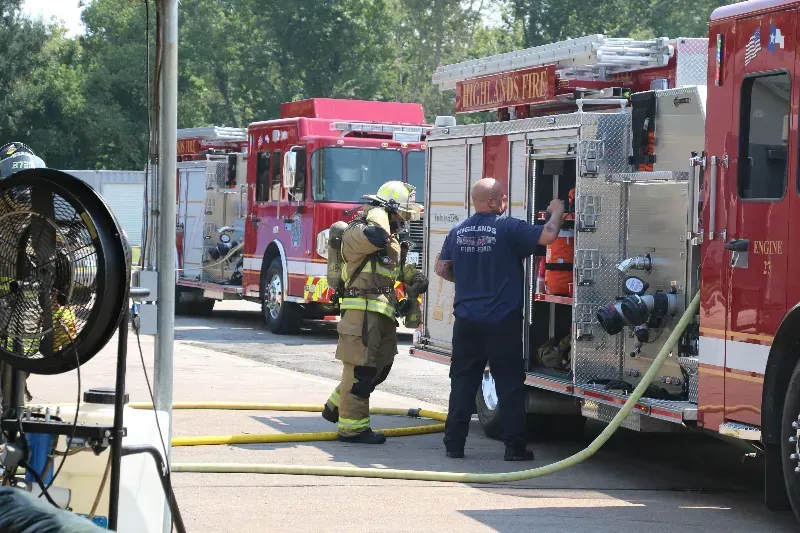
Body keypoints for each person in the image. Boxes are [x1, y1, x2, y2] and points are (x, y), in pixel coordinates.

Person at [434, 177, 565, 460]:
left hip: (466, 321)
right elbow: (548, 236)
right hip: (501, 321)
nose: (505, 201)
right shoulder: (508, 227)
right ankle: (514, 447)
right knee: (509, 383)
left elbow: (441, 268)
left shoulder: (457, 231)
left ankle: (454, 444)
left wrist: (467, 280)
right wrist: (556, 211)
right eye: (503, 197)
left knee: (463, 382)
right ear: (493, 201)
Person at [321, 180, 429, 444]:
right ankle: (352, 429)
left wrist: (414, 277)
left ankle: (335, 406)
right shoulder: (358, 231)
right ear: (388, 209)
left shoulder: (389, 236)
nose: (404, 220)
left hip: (382, 312)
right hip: (361, 313)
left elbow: (393, 267)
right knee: (361, 371)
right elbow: (376, 238)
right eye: (402, 213)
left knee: (381, 367)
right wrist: (378, 212)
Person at [0, 142, 48, 411]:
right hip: (12, 308)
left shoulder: (43, 221)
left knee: (19, 367)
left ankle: (14, 413)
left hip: (27, 311)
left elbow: (60, 264)